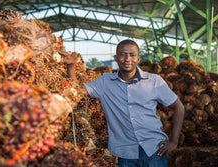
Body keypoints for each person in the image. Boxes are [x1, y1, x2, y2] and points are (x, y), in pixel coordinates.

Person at [58, 39, 185, 167]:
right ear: (116, 58)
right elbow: (77, 90)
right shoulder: (105, 83)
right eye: (123, 54)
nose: (127, 59)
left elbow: (179, 106)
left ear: (138, 58)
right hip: (125, 155)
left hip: (154, 151)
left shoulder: (154, 81)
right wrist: (71, 66)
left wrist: (174, 141)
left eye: (132, 55)